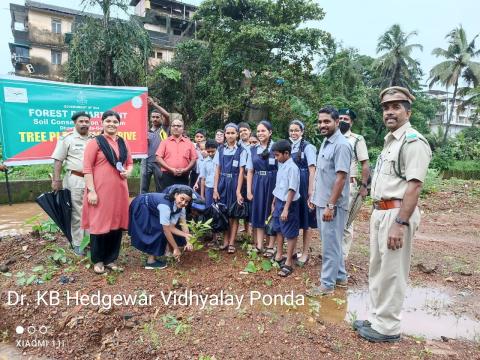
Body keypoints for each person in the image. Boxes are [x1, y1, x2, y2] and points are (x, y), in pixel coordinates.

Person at [355, 87, 431, 343]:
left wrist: (400, 223)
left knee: (392, 271)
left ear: (408, 111)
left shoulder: (413, 141)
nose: (390, 111)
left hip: (397, 214)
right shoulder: (390, 142)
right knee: (377, 269)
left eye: (396, 106)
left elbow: (415, 185)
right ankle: (377, 318)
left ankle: (387, 327)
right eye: (386, 107)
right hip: (381, 212)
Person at [82, 110, 133, 274]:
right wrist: (91, 191)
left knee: (116, 225)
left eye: (115, 121)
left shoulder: (123, 143)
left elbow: (130, 163)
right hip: (100, 191)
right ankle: (98, 260)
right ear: (102, 123)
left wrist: (129, 172)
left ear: (119, 124)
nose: (112, 124)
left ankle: (111, 259)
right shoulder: (95, 142)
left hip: (119, 191)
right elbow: (87, 168)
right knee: (99, 225)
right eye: (108, 121)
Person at [307, 106, 351, 296]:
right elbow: (323, 174)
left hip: (332, 205)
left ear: (336, 122)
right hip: (322, 201)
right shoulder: (326, 142)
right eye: (320, 121)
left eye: (326, 121)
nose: (322, 125)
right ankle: (340, 277)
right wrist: (314, 196)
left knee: (330, 245)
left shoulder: (341, 145)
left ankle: (327, 285)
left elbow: (341, 178)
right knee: (331, 241)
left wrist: (330, 205)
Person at [51, 111, 94, 256]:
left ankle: (88, 241)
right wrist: (56, 180)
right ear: (75, 123)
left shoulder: (95, 139)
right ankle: (77, 244)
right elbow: (58, 160)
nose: (84, 124)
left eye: (86, 121)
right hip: (75, 179)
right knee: (77, 213)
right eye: (81, 121)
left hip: (93, 180)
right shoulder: (67, 139)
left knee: (92, 211)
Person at [129, 186, 194, 269]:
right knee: (158, 229)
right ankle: (151, 262)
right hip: (142, 205)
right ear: (176, 195)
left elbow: (178, 225)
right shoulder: (165, 206)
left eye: (187, 201)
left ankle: (162, 252)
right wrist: (176, 248)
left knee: (161, 227)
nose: (183, 203)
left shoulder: (181, 208)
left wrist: (188, 239)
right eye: (182, 199)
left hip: (152, 208)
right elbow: (166, 230)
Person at [338, 108, 370, 259]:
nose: (343, 121)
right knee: (333, 221)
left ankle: (342, 257)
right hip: (333, 186)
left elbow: (365, 164)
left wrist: (364, 186)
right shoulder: (332, 137)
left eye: (346, 118)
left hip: (349, 185)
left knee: (346, 223)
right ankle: (333, 253)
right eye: (340, 118)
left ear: (351, 121)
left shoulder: (357, 139)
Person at [213, 123, 247, 253]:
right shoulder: (220, 150)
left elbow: (241, 172)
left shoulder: (241, 150)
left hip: (234, 183)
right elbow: (217, 170)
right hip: (222, 182)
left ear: (237, 134)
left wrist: (238, 191)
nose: (230, 135)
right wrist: (215, 189)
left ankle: (232, 242)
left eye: (233, 133)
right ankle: (225, 240)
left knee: (234, 214)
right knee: (224, 212)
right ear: (225, 134)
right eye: (228, 133)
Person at [288, 120, 317, 267]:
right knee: (294, 218)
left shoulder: (308, 147)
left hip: (305, 185)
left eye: (296, 130)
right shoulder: (289, 147)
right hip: (292, 186)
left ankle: (305, 253)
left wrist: (311, 192)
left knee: (307, 221)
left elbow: (312, 170)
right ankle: (292, 250)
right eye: (291, 130)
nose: (293, 133)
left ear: (302, 131)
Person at [246, 120, 277, 254]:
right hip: (258, 183)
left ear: (270, 132)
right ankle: (259, 245)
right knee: (258, 212)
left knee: (272, 212)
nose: (260, 133)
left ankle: (271, 246)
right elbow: (250, 171)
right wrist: (249, 190)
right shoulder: (252, 149)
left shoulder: (276, 148)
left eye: (263, 130)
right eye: (258, 131)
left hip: (273, 182)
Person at [270, 140, 300, 277]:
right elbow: (279, 185)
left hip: (289, 204)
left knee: (290, 231)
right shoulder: (281, 164)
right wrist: (274, 200)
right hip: (279, 201)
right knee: (279, 228)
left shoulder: (292, 168)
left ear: (286, 153)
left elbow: (291, 189)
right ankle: (279, 255)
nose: (276, 158)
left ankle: (289, 262)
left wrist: (286, 208)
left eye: (277, 155)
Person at [156, 118, 198, 190]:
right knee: (167, 197)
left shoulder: (189, 143)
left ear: (183, 128)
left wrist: (185, 169)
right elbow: (158, 158)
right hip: (167, 175)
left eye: (179, 126)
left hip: (184, 175)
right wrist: (171, 169)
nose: (176, 127)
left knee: (183, 197)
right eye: (174, 125)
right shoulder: (165, 142)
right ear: (170, 128)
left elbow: (194, 159)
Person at [140, 108, 165, 194]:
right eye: (153, 117)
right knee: (143, 187)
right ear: (150, 118)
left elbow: (167, 116)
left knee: (161, 187)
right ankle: (142, 205)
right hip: (146, 161)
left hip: (159, 162)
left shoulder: (164, 129)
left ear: (161, 118)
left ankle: (160, 204)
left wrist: (154, 104)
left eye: (157, 117)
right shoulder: (145, 131)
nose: (155, 119)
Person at [200, 140, 218, 208]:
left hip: (219, 187)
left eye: (212, 151)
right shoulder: (205, 162)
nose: (210, 154)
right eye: (208, 152)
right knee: (209, 207)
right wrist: (202, 195)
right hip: (209, 188)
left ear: (217, 149)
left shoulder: (220, 159)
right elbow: (203, 179)